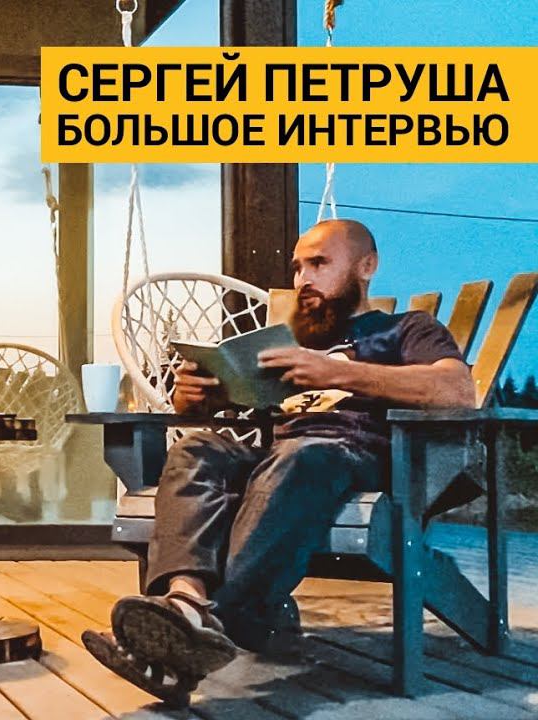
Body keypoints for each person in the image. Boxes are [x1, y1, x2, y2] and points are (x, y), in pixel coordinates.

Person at [82, 219, 475, 706]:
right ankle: (185, 601)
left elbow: (457, 389)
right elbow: (230, 404)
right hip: (278, 461)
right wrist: (195, 396)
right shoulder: (287, 344)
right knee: (196, 448)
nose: (303, 278)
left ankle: (219, 619)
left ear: (366, 266)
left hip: (353, 457)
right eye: (297, 268)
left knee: (303, 454)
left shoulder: (406, 329)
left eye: (319, 263)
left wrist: (338, 372)